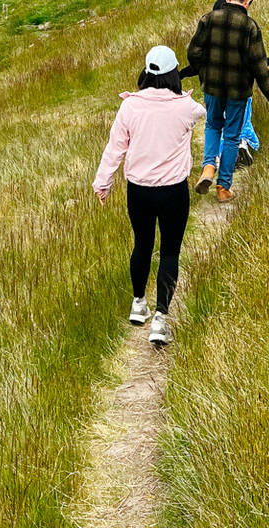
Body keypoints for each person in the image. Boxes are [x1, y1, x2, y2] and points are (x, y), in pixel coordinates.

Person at [93, 46, 206, 346]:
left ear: (146, 72)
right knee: (170, 251)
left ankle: (138, 302)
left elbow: (114, 147)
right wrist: (185, 95)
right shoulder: (185, 107)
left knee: (142, 245)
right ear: (173, 73)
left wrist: (102, 182)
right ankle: (161, 319)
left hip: (138, 191)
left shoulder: (130, 107)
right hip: (173, 192)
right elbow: (201, 112)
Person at [186, 0, 269, 204]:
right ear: (248, 2)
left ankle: (208, 167)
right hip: (238, 91)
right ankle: (223, 187)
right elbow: (259, 65)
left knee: (212, 125)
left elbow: (193, 50)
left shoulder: (208, 19)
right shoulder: (250, 27)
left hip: (212, 87)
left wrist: (201, 70)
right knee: (232, 136)